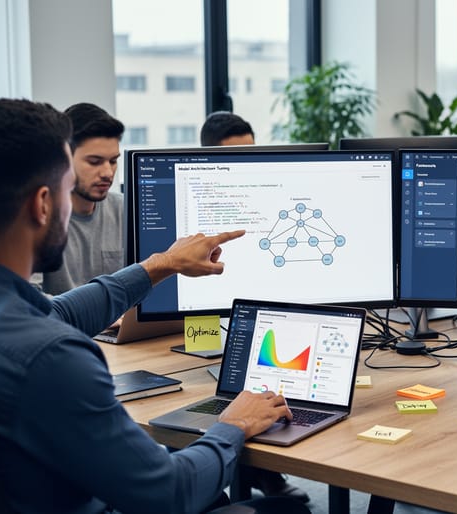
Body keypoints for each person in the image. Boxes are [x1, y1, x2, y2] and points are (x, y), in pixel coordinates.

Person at [0, 98, 309, 514]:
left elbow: (61, 312)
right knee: (287, 510)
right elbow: (168, 494)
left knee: (213, 490)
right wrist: (234, 423)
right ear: (43, 204)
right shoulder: (52, 357)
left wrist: (162, 264)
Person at [200, 110, 310, 503]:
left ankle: (259, 473)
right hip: (206, 325)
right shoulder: (204, 204)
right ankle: (248, 474)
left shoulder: (270, 200)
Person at [39, 102, 125, 295]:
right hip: (62, 324)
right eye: (94, 162)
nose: (107, 173)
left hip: (121, 325)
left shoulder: (125, 210)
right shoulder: (38, 217)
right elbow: (30, 300)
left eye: (113, 161)